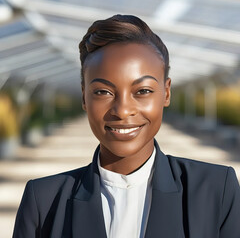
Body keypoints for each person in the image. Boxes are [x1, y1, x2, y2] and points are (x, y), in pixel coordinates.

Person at [13, 14, 240, 238]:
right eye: (103, 92)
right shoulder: (44, 200)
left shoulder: (215, 190)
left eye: (143, 91)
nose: (122, 110)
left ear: (166, 92)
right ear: (84, 97)